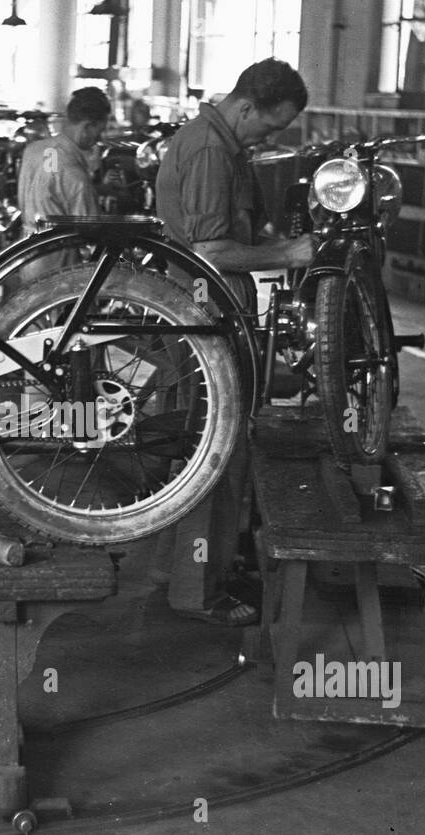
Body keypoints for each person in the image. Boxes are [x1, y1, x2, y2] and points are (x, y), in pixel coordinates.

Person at [151, 57, 314, 627]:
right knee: (212, 446)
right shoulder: (211, 151)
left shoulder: (229, 146)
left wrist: (277, 237)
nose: (270, 138)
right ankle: (197, 589)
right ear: (245, 106)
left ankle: (191, 568)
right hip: (202, 307)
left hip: (214, 305)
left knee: (207, 440)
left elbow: (244, 231)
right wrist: (288, 256)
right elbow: (210, 251)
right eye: (269, 127)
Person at [17, 86, 112, 226]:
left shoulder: (33, 150)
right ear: (87, 126)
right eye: (100, 130)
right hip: (59, 247)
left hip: (27, 244)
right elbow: (90, 234)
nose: (100, 138)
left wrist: (97, 189)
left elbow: (51, 185)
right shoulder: (76, 178)